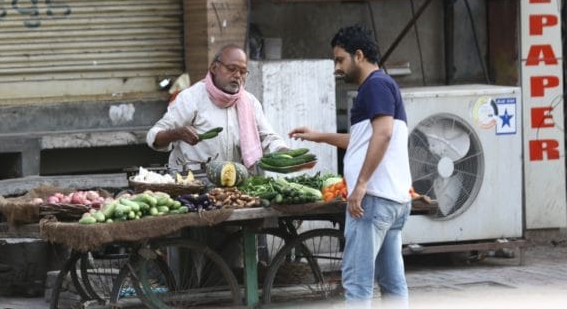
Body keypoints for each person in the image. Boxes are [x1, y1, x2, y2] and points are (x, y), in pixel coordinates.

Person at [289, 25, 412, 305]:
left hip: (374, 201)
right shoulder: (383, 85)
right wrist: (318, 136)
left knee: (357, 284)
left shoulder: (376, 85)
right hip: (392, 200)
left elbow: (383, 134)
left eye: (339, 59)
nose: (336, 67)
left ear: (359, 55)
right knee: (393, 284)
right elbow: (362, 140)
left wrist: (361, 186)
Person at [147, 43, 288, 172]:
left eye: (243, 71)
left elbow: (267, 137)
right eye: (231, 69)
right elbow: (153, 136)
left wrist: (285, 152)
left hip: (235, 185)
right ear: (214, 68)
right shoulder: (191, 98)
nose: (237, 76)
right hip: (193, 183)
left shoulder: (250, 103)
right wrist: (177, 133)